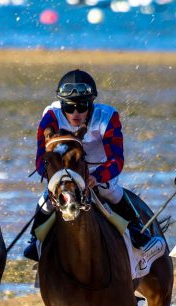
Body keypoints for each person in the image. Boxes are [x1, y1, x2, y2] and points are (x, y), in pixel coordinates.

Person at [23, 69, 161, 261]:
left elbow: (117, 160)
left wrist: (97, 177)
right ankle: (34, 240)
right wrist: (56, 178)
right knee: (45, 201)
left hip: (98, 171)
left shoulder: (108, 116)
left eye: (81, 106)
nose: (75, 113)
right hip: (65, 172)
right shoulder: (50, 116)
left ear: (91, 103)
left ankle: (139, 231)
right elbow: (40, 160)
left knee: (110, 192)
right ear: (61, 105)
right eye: (69, 108)